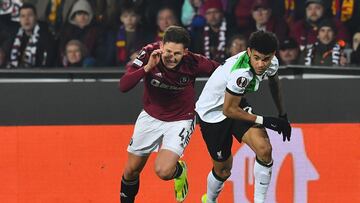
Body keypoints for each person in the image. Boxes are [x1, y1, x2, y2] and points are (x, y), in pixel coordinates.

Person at [118, 25, 219, 203]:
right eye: (168, 51)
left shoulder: (194, 62)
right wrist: (148, 67)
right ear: (161, 46)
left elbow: (222, 72)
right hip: (150, 116)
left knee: (163, 172)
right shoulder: (149, 53)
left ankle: (179, 171)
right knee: (131, 171)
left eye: (177, 54)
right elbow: (124, 85)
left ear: (186, 52)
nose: (171, 57)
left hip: (181, 119)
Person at [195, 30, 291, 203]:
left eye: (266, 59)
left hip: (235, 103)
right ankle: (209, 200)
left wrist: (282, 114)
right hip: (212, 114)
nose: (261, 64)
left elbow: (274, 84)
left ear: (273, 56)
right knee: (223, 171)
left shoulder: (272, 63)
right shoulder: (241, 73)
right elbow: (228, 110)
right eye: (256, 58)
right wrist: (265, 121)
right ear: (248, 52)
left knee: (264, 149)